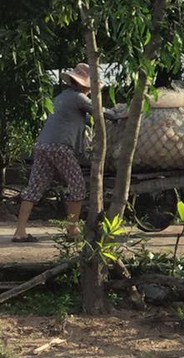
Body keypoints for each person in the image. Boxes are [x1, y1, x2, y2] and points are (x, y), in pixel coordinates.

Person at [12, 63, 119, 243]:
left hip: (43, 146)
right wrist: (118, 115)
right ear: (85, 85)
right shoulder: (78, 98)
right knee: (77, 185)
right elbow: (99, 112)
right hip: (59, 147)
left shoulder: (62, 97)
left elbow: (85, 119)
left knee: (34, 188)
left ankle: (19, 231)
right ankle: (72, 229)